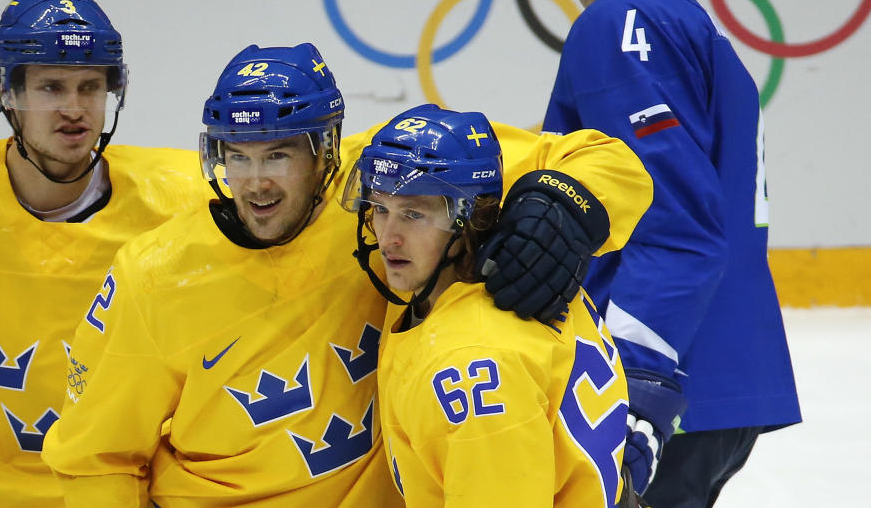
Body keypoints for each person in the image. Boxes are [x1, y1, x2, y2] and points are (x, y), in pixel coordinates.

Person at [42, 43, 653, 507]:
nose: (255, 182)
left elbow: (607, 161)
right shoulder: (156, 276)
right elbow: (97, 458)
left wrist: (563, 204)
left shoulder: (396, 179)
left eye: (279, 153)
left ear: (327, 151)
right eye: (238, 155)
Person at [507, 0, 801, 506]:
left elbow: (674, 223)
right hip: (712, 366)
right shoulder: (666, 17)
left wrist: (636, 383)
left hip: (669, 370)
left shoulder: (625, 20)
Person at [0, 0, 209, 507]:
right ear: (8, 92)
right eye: (51, 87)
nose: (74, 109)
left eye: (90, 88)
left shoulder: (182, 199)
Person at [341, 104, 634, 507]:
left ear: (472, 217)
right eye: (380, 209)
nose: (388, 237)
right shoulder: (526, 268)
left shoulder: (470, 363)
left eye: (413, 214)